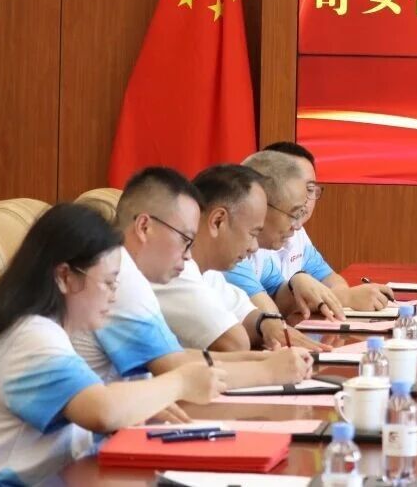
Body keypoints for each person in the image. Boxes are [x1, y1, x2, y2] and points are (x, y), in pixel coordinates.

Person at [0, 204, 225, 485]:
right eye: (108, 282)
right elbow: (103, 410)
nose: (113, 295)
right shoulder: (30, 337)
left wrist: (140, 406)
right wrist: (181, 382)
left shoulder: (35, 327)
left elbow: (87, 421)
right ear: (65, 276)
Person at [71, 166, 313, 388]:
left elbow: (175, 356)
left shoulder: (130, 272)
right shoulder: (118, 278)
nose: (188, 255)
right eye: (185, 239)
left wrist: (263, 360)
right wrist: (267, 371)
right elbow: (173, 367)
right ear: (144, 227)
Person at [151, 163, 321, 352]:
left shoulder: (209, 272)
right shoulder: (173, 269)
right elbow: (234, 342)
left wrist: (266, 325)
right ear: (218, 221)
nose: (254, 248)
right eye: (252, 233)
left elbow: (250, 316)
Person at [263, 141, 395, 311]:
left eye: (310, 189)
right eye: (296, 189)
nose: (304, 200)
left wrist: (343, 296)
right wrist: (344, 298)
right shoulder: (248, 244)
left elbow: (332, 280)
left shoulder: (298, 233)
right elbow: (270, 307)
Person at [223, 150, 348, 322]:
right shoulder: (231, 249)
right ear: (261, 204)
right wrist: (346, 298)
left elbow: (278, 295)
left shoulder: (259, 251)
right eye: (293, 214)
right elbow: (272, 321)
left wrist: (295, 282)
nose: (297, 225)